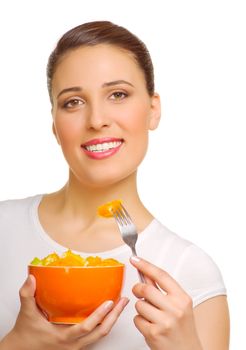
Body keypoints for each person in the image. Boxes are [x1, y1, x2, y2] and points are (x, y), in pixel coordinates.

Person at [0, 21, 229, 350]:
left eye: (118, 95)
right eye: (73, 102)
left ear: (153, 110)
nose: (96, 120)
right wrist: (17, 344)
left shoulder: (191, 272)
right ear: (54, 124)